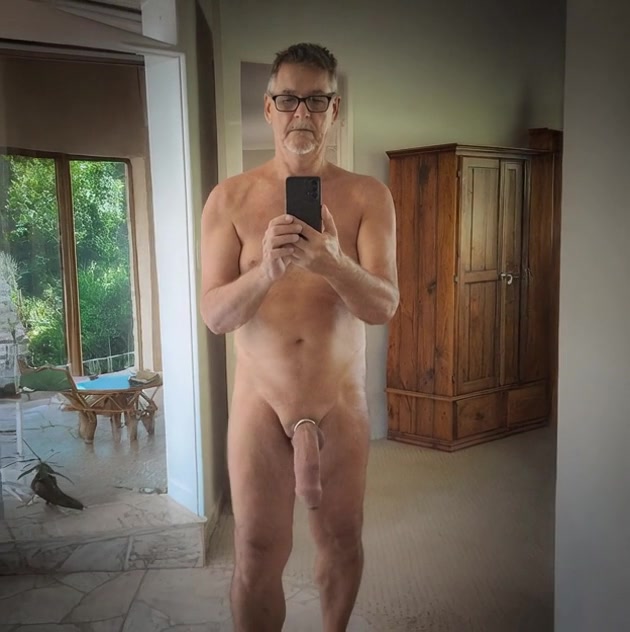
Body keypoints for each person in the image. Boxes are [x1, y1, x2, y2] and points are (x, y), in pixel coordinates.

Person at [200, 42, 399, 632]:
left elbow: (384, 306)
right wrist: (267, 270)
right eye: (288, 99)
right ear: (269, 108)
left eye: (316, 100)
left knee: (342, 539)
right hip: (260, 400)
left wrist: (333, 263)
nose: (301, 113)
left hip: (339, 398)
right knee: (256, 550)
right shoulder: (229, 199)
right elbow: (215, 316)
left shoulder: (368, 196)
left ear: (334, 110)